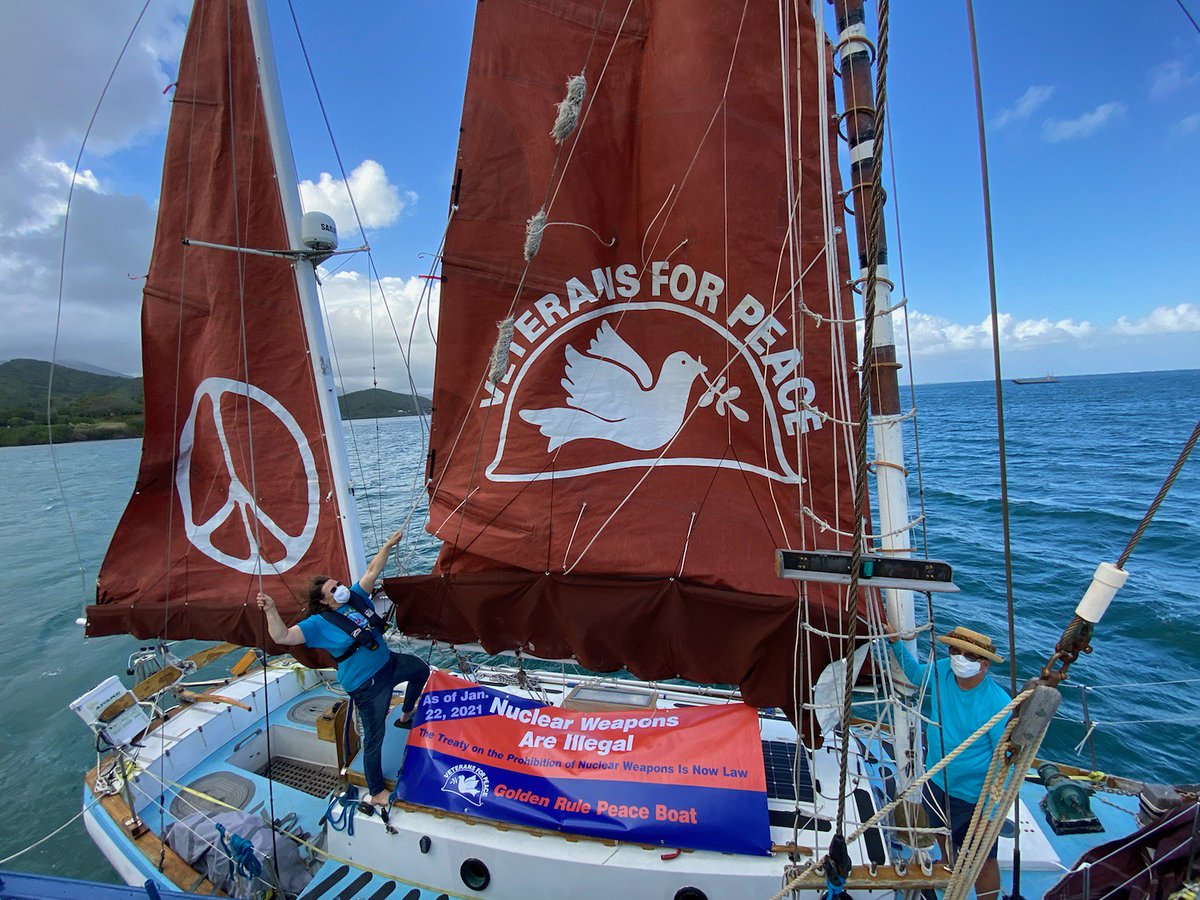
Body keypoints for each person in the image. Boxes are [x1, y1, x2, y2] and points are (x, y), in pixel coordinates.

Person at [257, 530, 429, 808]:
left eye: (338, 584)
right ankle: (375, 791)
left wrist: (387, 545)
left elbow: (372, 571)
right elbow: (283, 638)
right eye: (333, 589)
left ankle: (407, 713)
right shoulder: (317, 624)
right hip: (367, 686)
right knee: (375, 738)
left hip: (390, 665)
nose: (341, 589)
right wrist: (270, 610)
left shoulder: (355, 598)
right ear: (324, 600)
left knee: (420, 670)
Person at [889, 625, 1010, 900]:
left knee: (983, 859)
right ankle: (949, 877)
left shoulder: (998, 703)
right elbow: (918, 676)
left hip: (973, 797)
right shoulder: (943, 670)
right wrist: (896, 643)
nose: (959, 658)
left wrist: (988, 815)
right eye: (955, 650)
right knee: (943, 837)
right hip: (936, 781)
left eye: (969, 655)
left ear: (985, 664)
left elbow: (1005, 761)